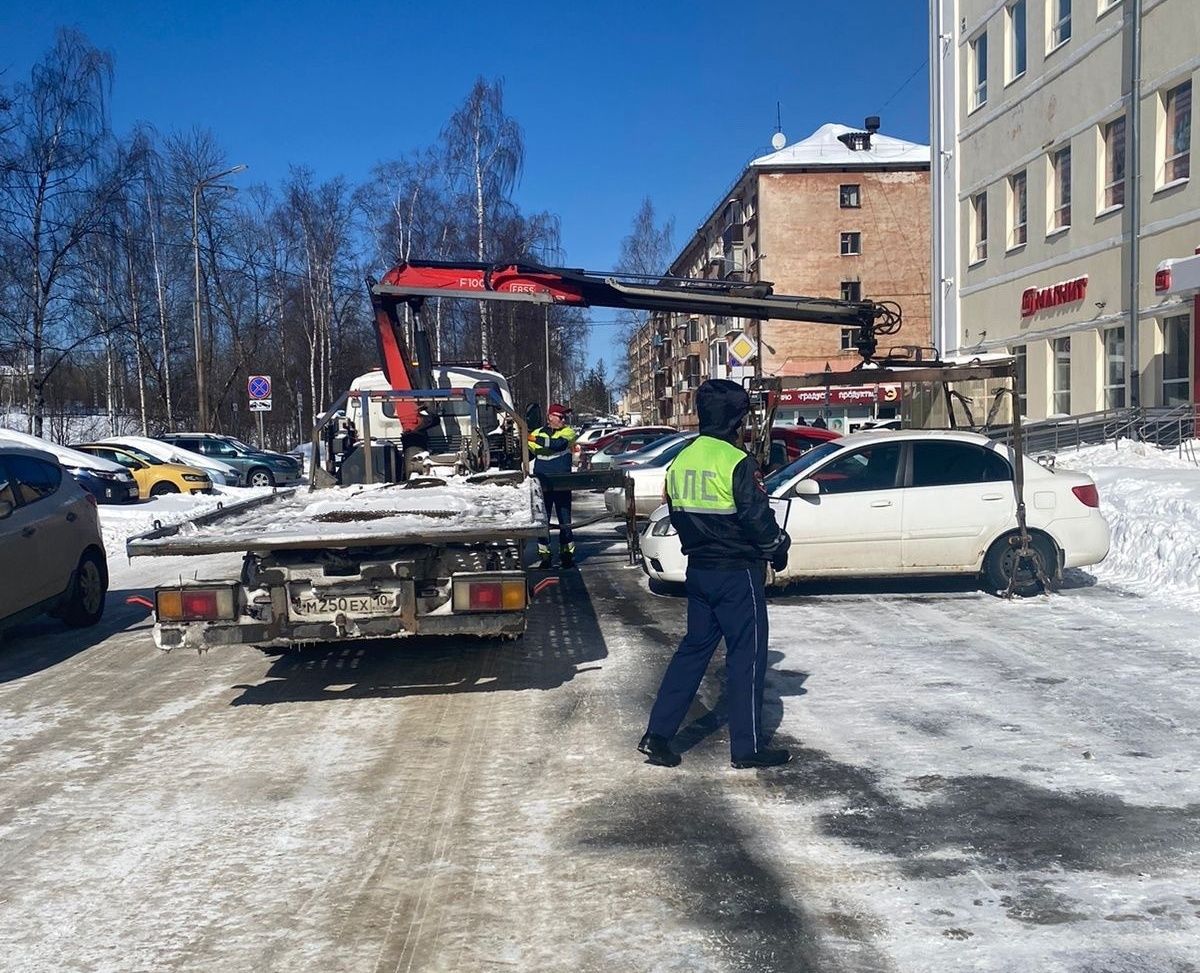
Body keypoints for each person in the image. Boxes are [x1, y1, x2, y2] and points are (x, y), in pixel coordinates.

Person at [639, 379, 792, 770]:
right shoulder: (737, 462)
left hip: (700, 571)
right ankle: (747, 748)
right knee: (748, 657)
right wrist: (777, 548)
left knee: (693, 652)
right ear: (736, 419)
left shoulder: (682, 461)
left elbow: (675, 513)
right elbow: (757, 519)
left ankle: (657, 735)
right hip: (737, 574)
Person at [528, 403, 578, 569]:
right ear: (550, 417)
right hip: (543, 484)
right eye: (560, 416)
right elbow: (528, 451)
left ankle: (567, 555)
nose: (564, 420)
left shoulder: (568, 432)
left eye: (564, 417)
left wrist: (535, 439)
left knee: (565, 521)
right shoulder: (536, 433)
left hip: (562, 484)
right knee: (543, 521)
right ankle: (545, 556)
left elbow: (558, 444)